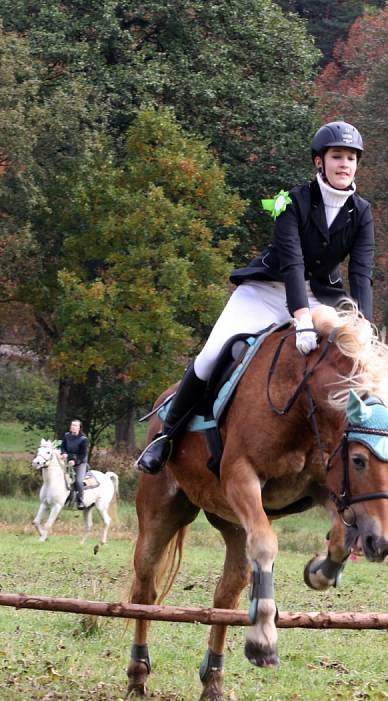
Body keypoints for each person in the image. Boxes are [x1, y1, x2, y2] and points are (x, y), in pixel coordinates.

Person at [137, 120, 375, 474]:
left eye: (351, 158)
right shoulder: (290, 202)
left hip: (321, 298)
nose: (345, 164)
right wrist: (302, 319)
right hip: (265, 291)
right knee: (209, 357)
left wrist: (364, 327)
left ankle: (364, 450)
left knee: (359, 364)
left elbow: (361, 274)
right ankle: (166, 436)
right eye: (337, 156)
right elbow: (292, 264)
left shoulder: (362, 211)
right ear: (318, 162)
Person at [60, 419, 89, 508]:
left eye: (76, 426)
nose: (73, 427)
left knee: (79, 481)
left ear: (79, 428)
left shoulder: (83, 439)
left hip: (80, 463)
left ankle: (80, 500)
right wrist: (64, 453)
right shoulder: (66, 436)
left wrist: (75, 461)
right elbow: (63, 446)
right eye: (72, 425)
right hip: (67, 462)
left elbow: (83, 455)